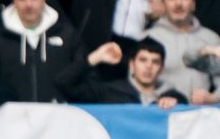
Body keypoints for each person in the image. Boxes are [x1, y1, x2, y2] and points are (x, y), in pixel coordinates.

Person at [0, 0, 82, 103]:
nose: (28, 5)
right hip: (12, 120)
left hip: (57, 119)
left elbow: (82, 81)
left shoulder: (67, 34)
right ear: (14, 1)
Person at [57, 39, 189, 109]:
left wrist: (176, 105)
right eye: (143, 60)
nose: (148, 66)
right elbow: (63, 83)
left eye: (155, 62)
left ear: (161, 68)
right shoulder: (107, 92)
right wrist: (95, 57)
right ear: (131, 64)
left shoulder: (174, 97)